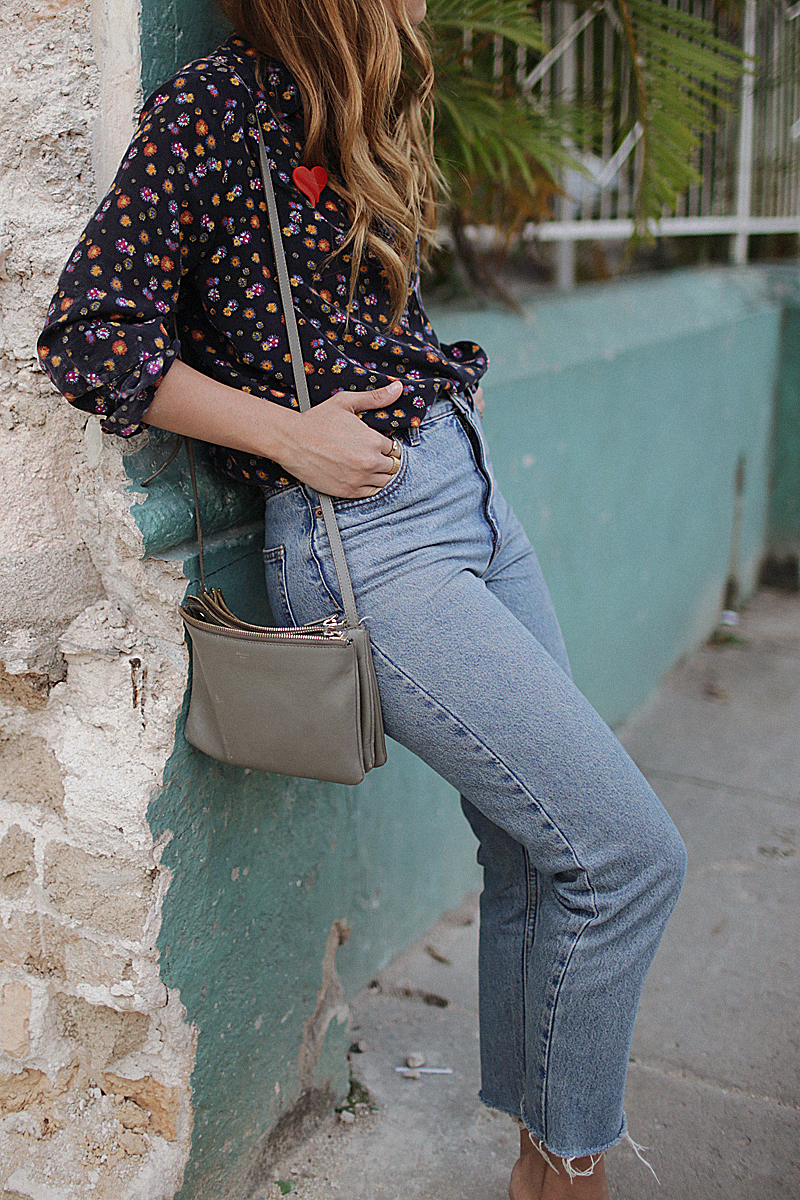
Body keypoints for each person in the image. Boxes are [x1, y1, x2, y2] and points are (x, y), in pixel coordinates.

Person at [37, 0, 687, 1195]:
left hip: (467, 501)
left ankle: (541, 1168)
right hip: (369, 538)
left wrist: (442, 398)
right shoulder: (212, 108)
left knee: (534, 852)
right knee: (626, 854)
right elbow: (88, 336)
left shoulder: (358, 106)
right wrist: (290, 439)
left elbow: (352, 316)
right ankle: (580, 1172)